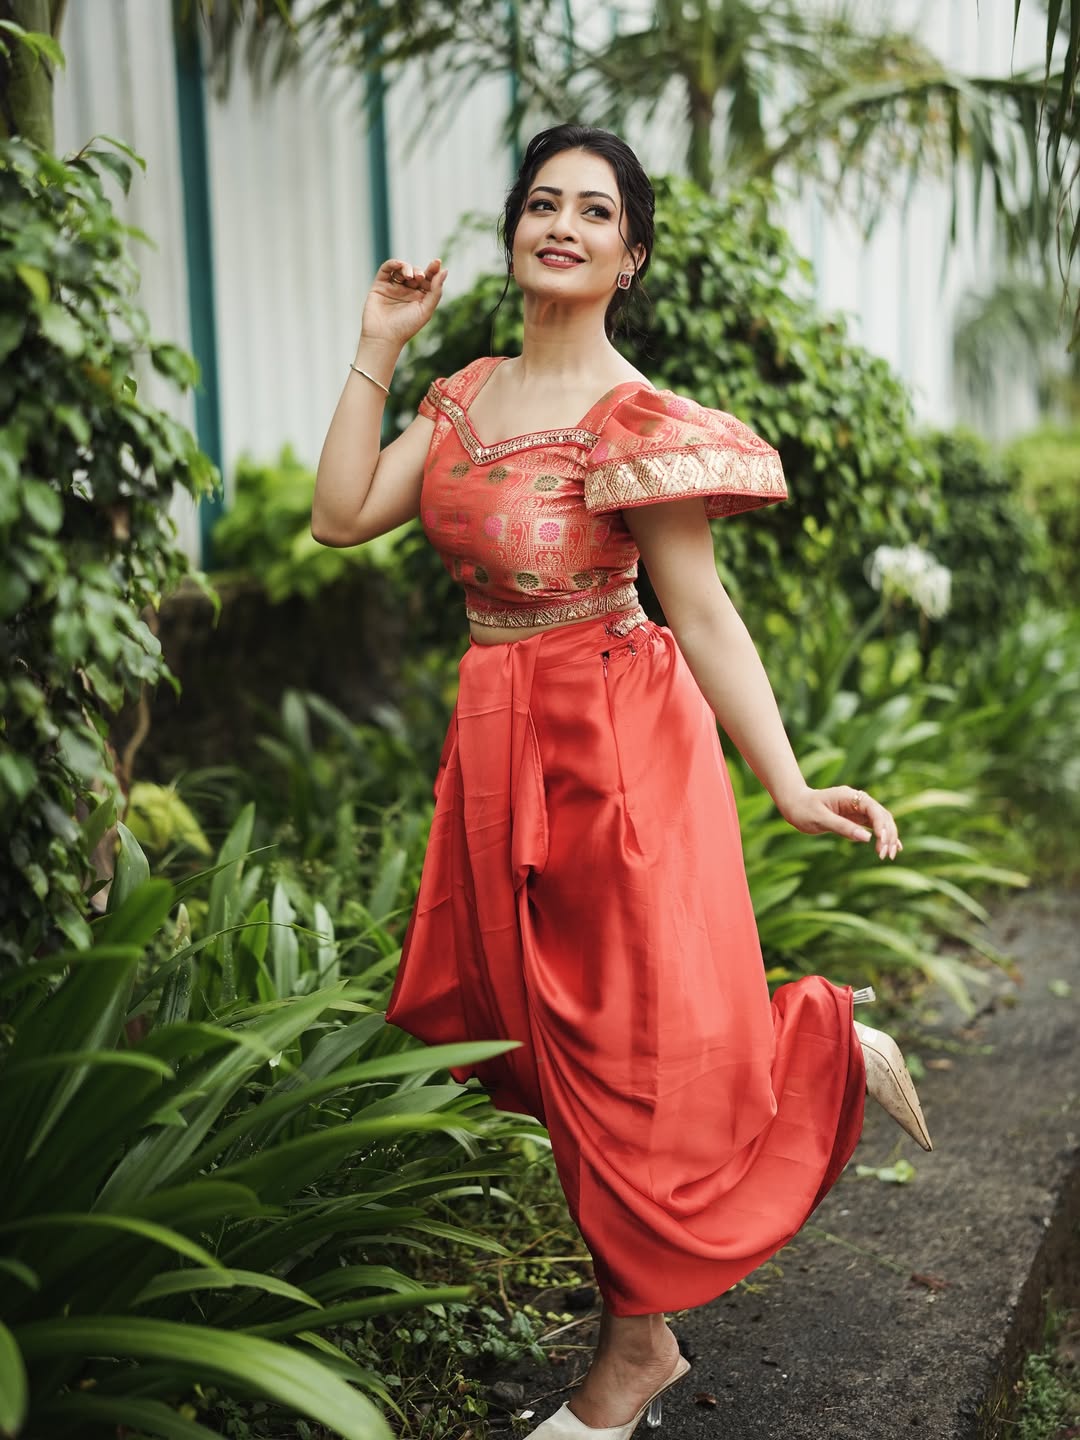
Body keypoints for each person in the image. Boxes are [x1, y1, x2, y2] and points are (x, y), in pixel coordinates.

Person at [313, 123, 932, 1440]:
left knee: (612, 1045)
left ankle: (634, 1352)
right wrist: (380, 344)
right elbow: (342, 511)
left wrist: (790, 783)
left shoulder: (637, 420)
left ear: (631, 255)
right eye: (544, 203)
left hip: (619, 740)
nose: (564, 225)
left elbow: (701, 614)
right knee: (532, 1033)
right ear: (515, 233)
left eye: (596, 212)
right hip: (496, 730)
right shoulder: (466, 395)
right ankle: (784, 1063)